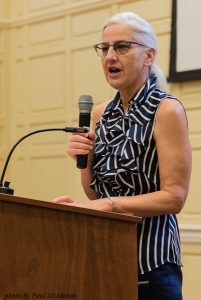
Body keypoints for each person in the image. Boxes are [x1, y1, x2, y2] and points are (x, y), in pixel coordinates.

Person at [53, 11, 192, 300]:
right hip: (105, 254)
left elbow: (174, 197)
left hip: (152, 262)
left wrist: (107, 206)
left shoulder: (166, 110)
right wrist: (85, 162)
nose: (110, 56)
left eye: (122, 47)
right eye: (104, 48)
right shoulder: (101, 113)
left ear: (148, 56)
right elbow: (96, 194)